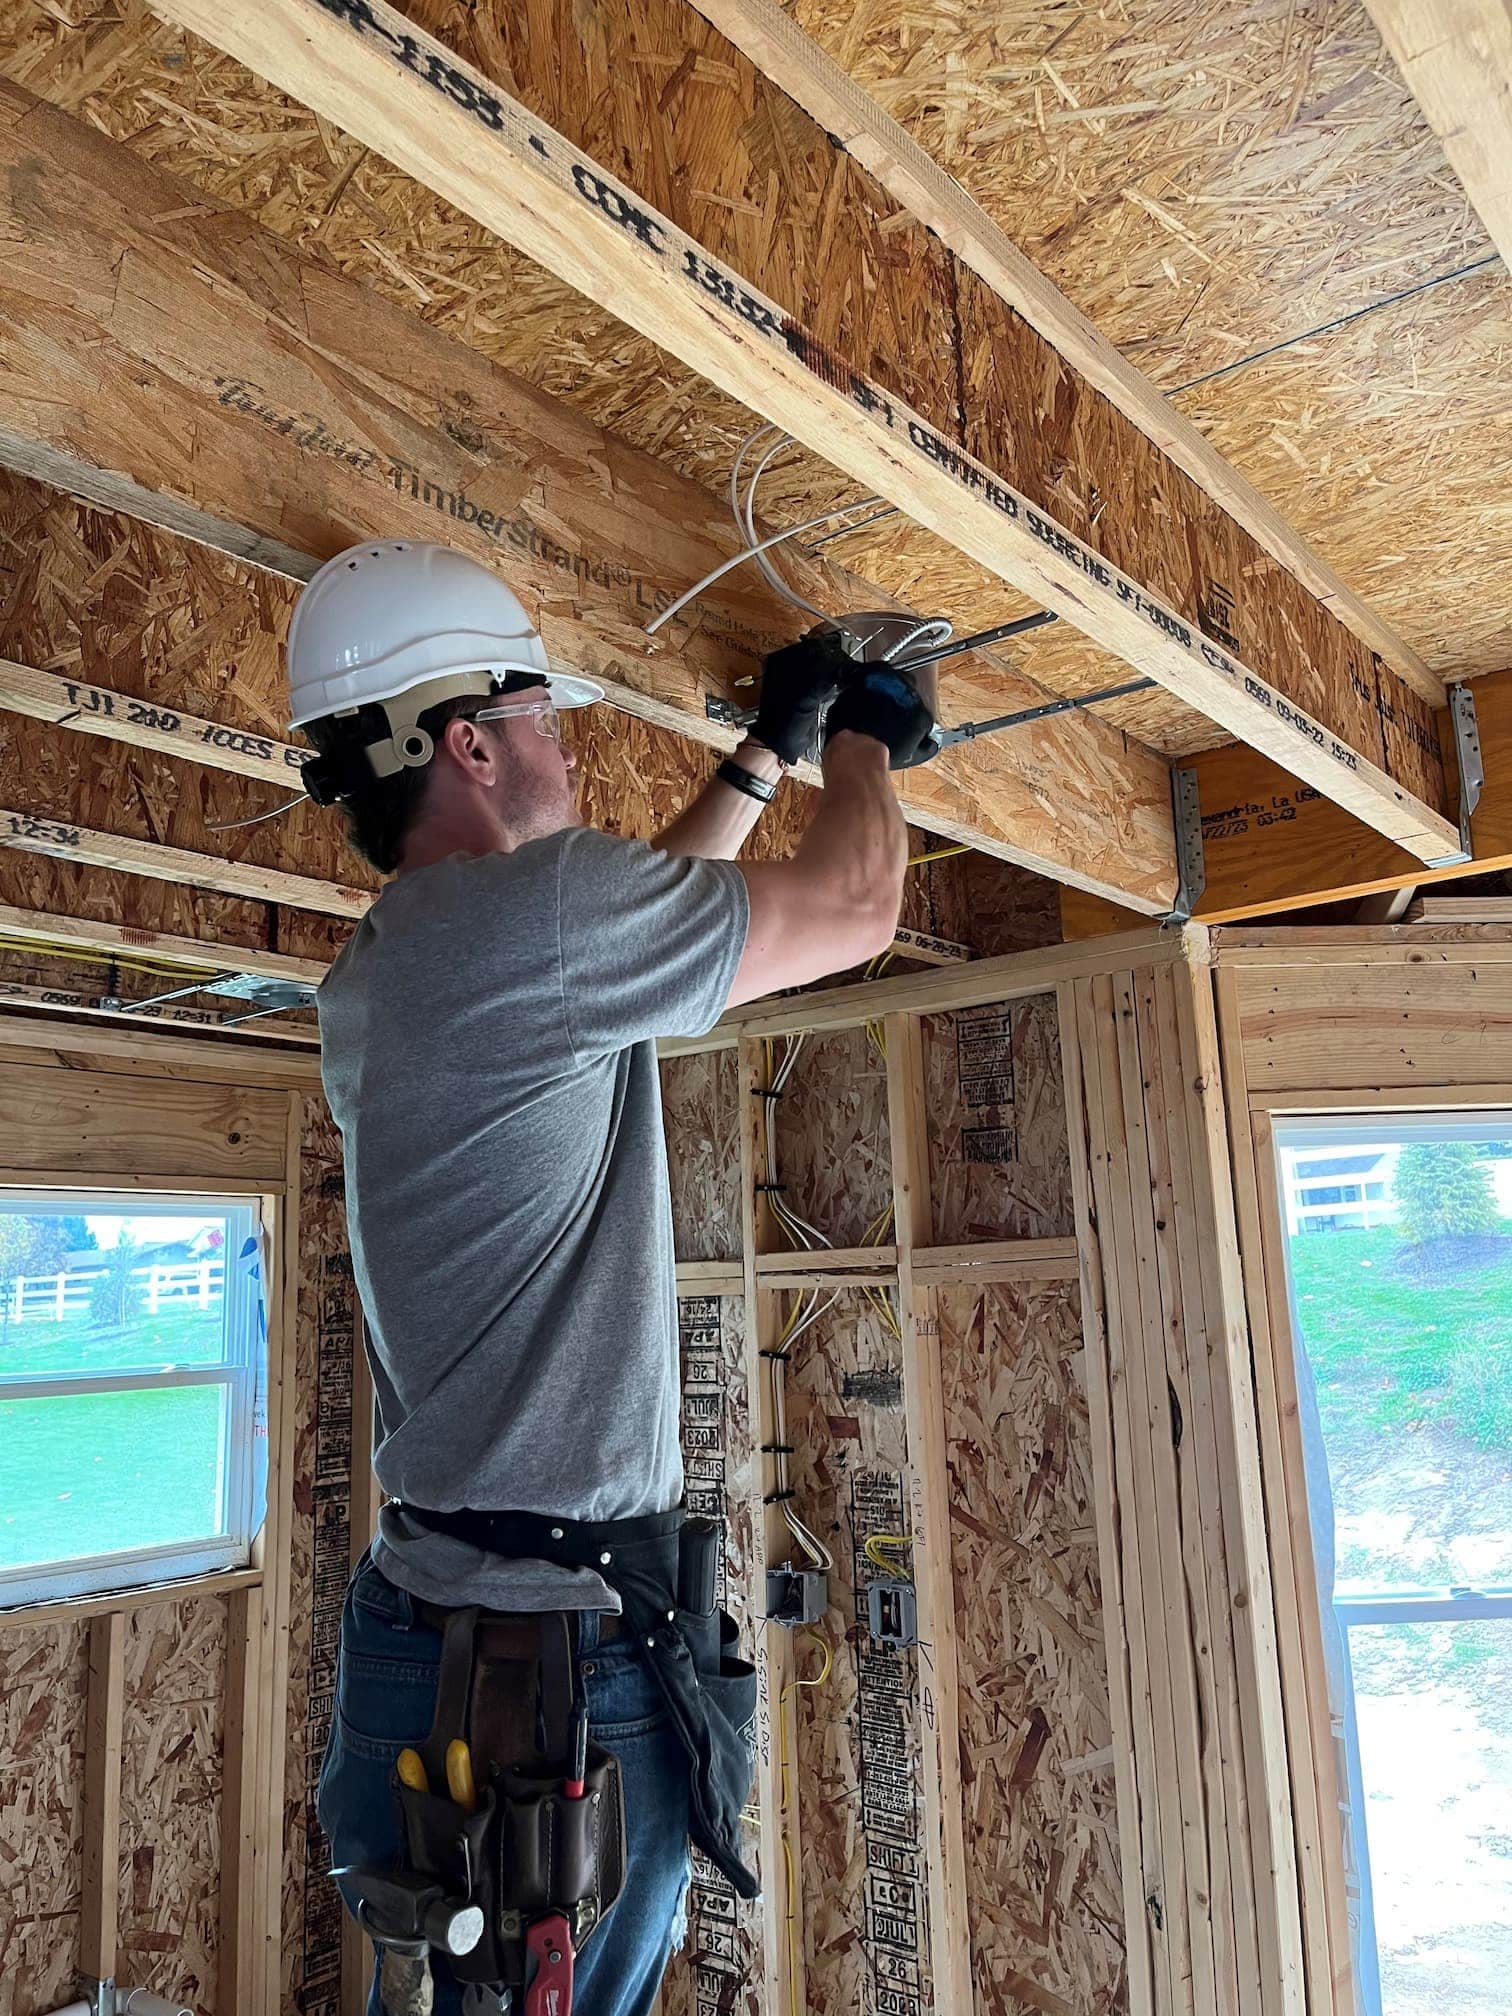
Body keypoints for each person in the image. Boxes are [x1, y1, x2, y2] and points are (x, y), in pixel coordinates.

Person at [292, 540, 932, 2016]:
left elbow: (620, 944)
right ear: (470, 745)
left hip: (466, 1643)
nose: (566, 744)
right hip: (537, 1670)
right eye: (543, 714)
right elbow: (856, 908)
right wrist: (869, 732)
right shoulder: (530, 925)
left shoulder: (386, 973)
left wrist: (767, 756)